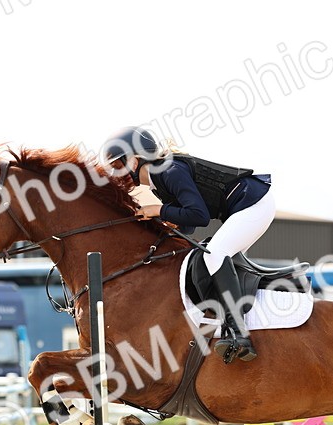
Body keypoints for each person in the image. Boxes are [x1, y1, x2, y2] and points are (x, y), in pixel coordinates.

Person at [101, 126, 274, 363]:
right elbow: (189, 224)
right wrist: (168, 219)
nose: (116, 173)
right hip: (246, 207)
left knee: (214, 254)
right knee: (210, 258)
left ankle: (239, 334)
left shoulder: (170, 171)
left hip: (254, 204)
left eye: (118, 165)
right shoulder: (159, 180)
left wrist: (159, 210)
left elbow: (199, 215)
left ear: (136, 158)